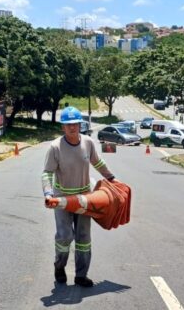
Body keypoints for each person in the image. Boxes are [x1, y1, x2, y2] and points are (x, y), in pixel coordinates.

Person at [41, 106, 115, 288]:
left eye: (75, 124)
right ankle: (59, 267)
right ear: (63, 127)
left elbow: (97, 162)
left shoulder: (88, 143)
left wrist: (111, 178)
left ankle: (81, 275)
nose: (72, 128)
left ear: (80, 125)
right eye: (68, 125)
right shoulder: (55, 147)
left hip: (84, 199)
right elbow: (47, 173)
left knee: (83, 238)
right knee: (65, 236)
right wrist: (48, 194)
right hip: (62, 199)